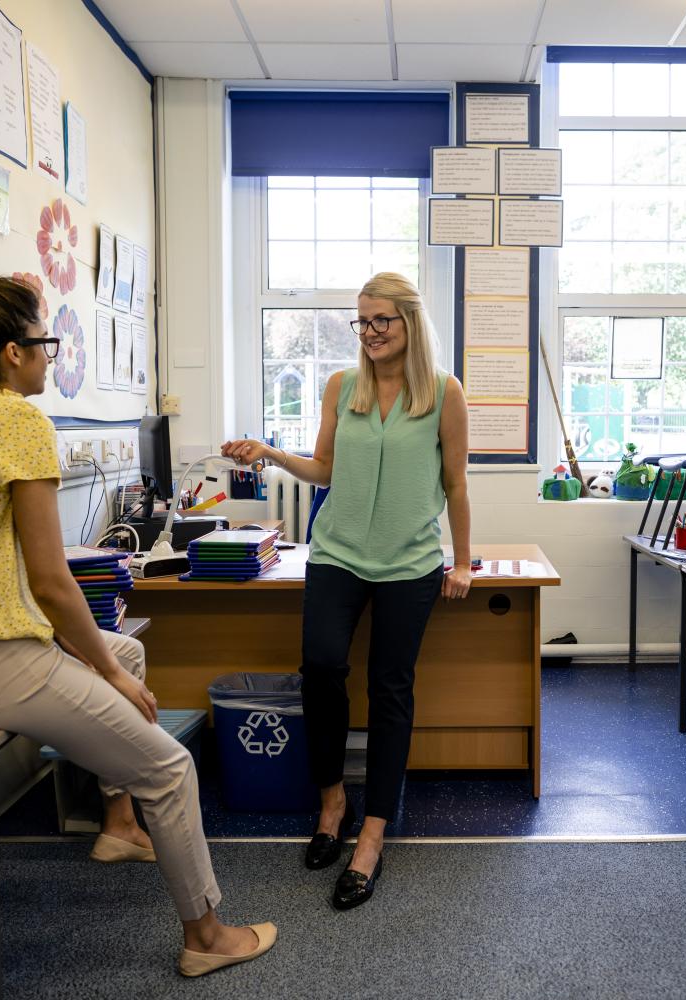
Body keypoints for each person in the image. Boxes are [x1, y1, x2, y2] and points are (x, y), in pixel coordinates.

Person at [0, 271, 275, 978]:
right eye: (43, 342)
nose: (49, 357)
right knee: (169, 766)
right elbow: (55, 585)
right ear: (10, 353)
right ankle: (206, 937)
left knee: (124, 648)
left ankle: (118, 828)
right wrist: (107, 674)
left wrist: (108, 659)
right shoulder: (15, 422)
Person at [222, 271, 471, 910]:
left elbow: (458, 484)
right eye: (362, 322)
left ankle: (373, 836)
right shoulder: (342, 386)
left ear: (410, 323)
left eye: (381, 320)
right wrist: (270, 453)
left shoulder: (445, 394)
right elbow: (324, 468)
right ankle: (332, 799)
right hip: (336, 555)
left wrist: (462, 562)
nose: (370, 333)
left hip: (411, 562)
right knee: (322, 669)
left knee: (391, 689)